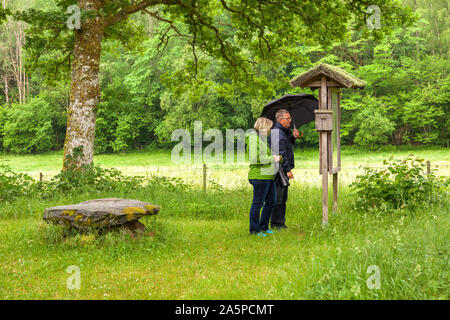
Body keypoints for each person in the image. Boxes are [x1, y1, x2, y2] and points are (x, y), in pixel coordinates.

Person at [246, 117, 281, 237]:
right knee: (258, 203)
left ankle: (264, 227)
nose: (270, 130)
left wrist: (273, 156)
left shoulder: (262, 139)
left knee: (271, 201)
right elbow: (255, 159)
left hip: (268, 176)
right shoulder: (252, 139)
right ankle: (254, 230)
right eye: (269, 128)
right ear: (263, 127)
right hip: (259, 176)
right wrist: (273, 158)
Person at [269, 109, 301, 229]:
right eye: (287, 119)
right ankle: (275, 223)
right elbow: (281, 153)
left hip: (282, 169)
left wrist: (293, 137)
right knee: (278, 197)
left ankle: (281, 222)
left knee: (283, 198)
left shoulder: (283, 132)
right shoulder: (277, 133)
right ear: (280, 120)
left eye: (290, 118)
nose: (290, 121)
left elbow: (287, 145)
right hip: (278, 170)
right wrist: (287, 170)